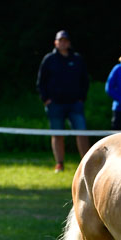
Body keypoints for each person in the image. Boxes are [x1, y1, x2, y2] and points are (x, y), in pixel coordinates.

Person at [37, 30, 90, 172]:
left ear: (69, 43)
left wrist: (81, 99)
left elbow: (85, 80)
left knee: (82, 133)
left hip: (75, 104)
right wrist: (46, 100)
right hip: (55, 105)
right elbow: (41, 82)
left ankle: (86, 164)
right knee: (57, 134)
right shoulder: (49, 59)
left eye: (65, 40)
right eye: (60, 40)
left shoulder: (77, 59)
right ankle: (59, 164)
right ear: (56, 42)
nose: (63, 43)